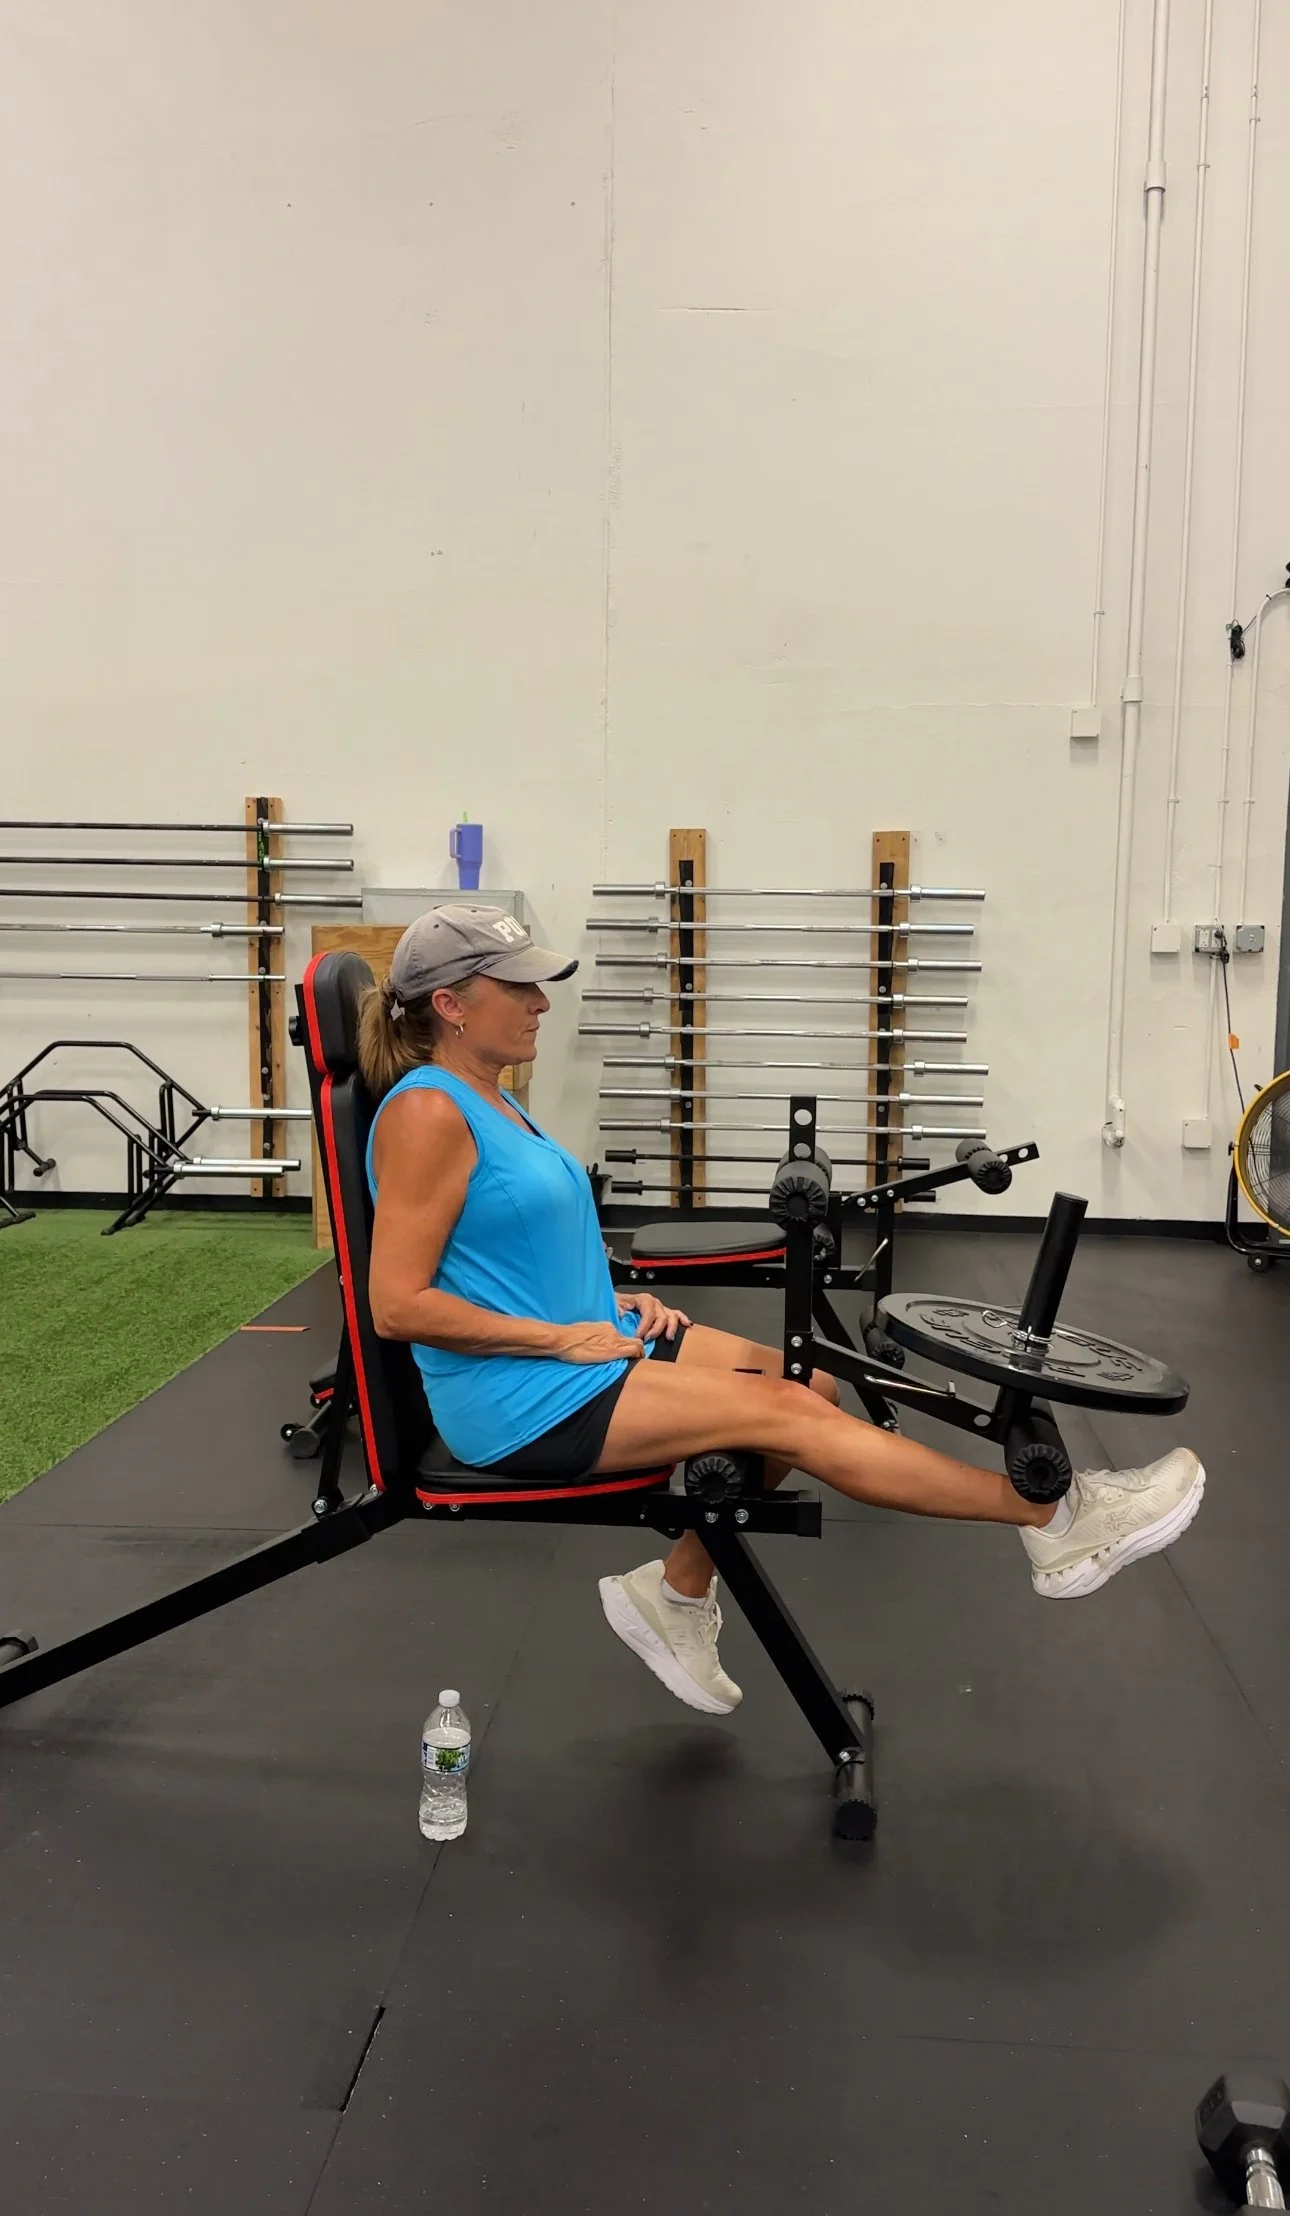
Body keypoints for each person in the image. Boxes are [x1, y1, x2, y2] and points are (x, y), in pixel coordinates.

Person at [361, 904, 1205, 1718]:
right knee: (787, 1414)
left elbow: (496, 1248)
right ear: (451, 1004)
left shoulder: (497, 1098)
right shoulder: (429, 1110)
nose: (542, 1002)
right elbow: (396, 1305)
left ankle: (674, 1590)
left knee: (810, 1381)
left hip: (590, 1346)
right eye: (519, 988)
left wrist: (607, 1300)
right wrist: (557, 1334)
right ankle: (1055, 1517)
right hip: (522, 1397)